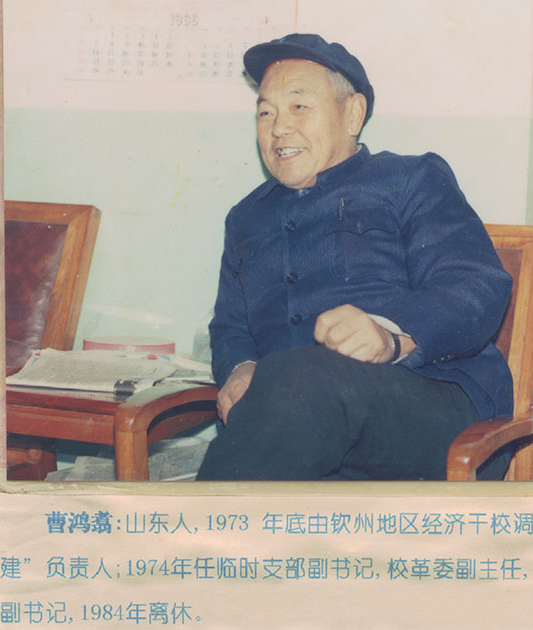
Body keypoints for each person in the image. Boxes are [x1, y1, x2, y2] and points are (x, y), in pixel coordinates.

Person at [195, 33, 514, 481]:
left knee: (301, 379)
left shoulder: (411, 179)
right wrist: (241, 369)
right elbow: (230, 325)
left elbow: (474, 284)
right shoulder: (245, 217)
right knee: (290, 390)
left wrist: (392, 335)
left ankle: (192, 527)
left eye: (298, 106)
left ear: (352, 114)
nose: (278, 127)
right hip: (300, 432)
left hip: (429, 402)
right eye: (265, 112)